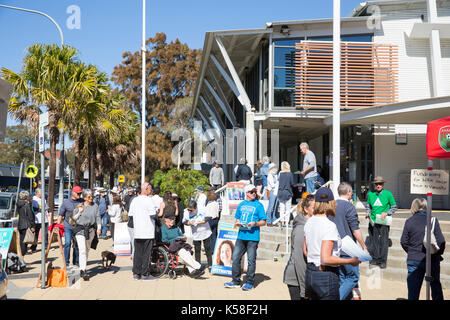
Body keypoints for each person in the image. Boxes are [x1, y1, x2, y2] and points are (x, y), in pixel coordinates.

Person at [303, 187, 360, 300]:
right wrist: (350, 261)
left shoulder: (309, 222)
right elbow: (326, 258)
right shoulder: (329, 225)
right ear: (331, 203)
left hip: (310, 273)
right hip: (325, 275)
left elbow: (305, 251)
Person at [400, 198, 446, 300]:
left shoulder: (409, 221)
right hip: (432, 259)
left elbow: (403, 241)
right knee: (436, 288)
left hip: (414, 259)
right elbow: (441, 241)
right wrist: (438, 253)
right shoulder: (433, 220)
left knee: (413, 291)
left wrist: (411, 251)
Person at [329, 182, 368, 300]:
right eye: (351, 192)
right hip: (348, 249)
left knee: (343, 278)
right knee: (353, 277)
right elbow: (355, 229)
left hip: (334, 247)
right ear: (349, 192)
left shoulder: (332, 205)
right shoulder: (349, 206)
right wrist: (363, 245)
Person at [224, 184, 267, 291]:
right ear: (246, 193)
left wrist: (255, 223)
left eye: (255, 191)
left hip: (253, 237)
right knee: (235, 258)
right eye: (252, 192)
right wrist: (238, 223)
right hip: (241, 236)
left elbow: (264, 222)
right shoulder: (241, 204)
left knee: (251, 261)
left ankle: (249, 282)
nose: (254, 193)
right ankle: (236, 281)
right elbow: (237, 219)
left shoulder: (259, 205)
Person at [283, 194, 315, 300]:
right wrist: (304, 289)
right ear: (306, 209)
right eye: (314, 208)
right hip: (296, 279)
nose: (318, 210)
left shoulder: (311, 225)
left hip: (306, 277)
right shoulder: (301, 229)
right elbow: (299, 260)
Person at [365, 176, 397, 269]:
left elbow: (394, 207)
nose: (378, 185)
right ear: (374, 185)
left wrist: (387, 213)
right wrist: (367, 212)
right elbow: (368, 206)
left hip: (384, 221)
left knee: (384, 242)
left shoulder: (388, 194)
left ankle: (383, 261)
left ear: (383, 184)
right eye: (377, 184)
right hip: (373, 221)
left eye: (380, 184)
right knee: (374, 241)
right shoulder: (370, 194)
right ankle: (374, 259)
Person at [128, 182, 158, 281]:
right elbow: (153, 215)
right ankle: (145, 274)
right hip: (147, 231)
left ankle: (136, 274)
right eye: (149, 188)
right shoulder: (149, 200)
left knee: (137, 253)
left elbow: (131, 215)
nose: (151, 190)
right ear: (145, 189)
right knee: (146, 254)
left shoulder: (134, 200)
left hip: (138, 231)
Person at [161, 213, 205, 278]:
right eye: (170, 219)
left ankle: (192, 271)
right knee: (183, 252)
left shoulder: (176, 227)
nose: (172, 221)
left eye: (173, 219)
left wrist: (183, 238)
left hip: (179, 244)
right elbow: (164, 240)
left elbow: (181, 235)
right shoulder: (163, 229)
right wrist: (174, 239)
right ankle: (199, 266)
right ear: (166, 220)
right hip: (170, 246)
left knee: (186, 252)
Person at [71, 189, 101, 280]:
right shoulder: (79, 206)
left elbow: (98, 217)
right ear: (84, 198)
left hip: (90, 230)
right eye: (89, 196)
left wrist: (99, 228)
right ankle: (83, 270)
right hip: (80, 229)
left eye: (92, 196)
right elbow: (73, 218)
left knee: (87, 249)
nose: (91, 198)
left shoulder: (95, 206)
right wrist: (79, 212)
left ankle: (83, 267)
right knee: (82, 250)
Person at [57, 186, 84, 266]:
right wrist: (58, 227)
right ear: (73, 192)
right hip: (67, 226)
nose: (79, 194)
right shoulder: (66, 202)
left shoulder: (82, 201)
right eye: (78, 193)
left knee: (76, 245)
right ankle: (66, 263)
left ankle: (76, 262)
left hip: (78, 227)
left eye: (80, 193)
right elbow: (60, 215)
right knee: (68, 243)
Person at [183, 200, 213, 269]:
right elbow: (184, 221)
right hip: (196, 233)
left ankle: (210, 264)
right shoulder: (186, 211)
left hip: (205, 231)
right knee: (197, 249)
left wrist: (203, 221)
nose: (189, 211)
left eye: (191, 210)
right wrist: (188, 223)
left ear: (195, 208)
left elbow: (209, 216)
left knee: (207, 248)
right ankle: (198, 266)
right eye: (188, 210)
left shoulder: (201, 208)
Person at [277, 161, 295, 227]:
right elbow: (292, 183)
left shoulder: (280, 174)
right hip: (287, 192)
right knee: (287, 208)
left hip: (280, 192)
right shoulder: (290, 174)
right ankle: (287, 222)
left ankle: (282, 222)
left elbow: (278, 182)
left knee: (281, 208)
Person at [17, 191, 36, 256]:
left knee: (21, 242)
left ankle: (21, 259)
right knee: (25, 243)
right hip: (26, 225)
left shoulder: (18, 204)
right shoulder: (26, 205)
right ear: (26, 197)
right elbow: (30, 217)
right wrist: (33, 226)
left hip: (20, 225)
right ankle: (21, 259)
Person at [31, 188, 49, 253]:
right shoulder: (34, 199)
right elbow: (33, 209)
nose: (42, 194)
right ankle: (33, 247)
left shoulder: (43, 199)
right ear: (37, 193)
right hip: (37, 219)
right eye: (41, 192)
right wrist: (40, 210)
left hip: (44, 219)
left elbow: (46, 207)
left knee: (46, 233)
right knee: (36, 234)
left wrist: (47, 211)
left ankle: (46, 246)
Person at [127, 186, 141, 260]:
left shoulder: (134, 199)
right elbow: (130, 213)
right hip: (132, 224)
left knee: (134, 241)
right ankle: (133, 255)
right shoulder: (134, 200)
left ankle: (133, 254)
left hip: (134, 224)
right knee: (133, 241)